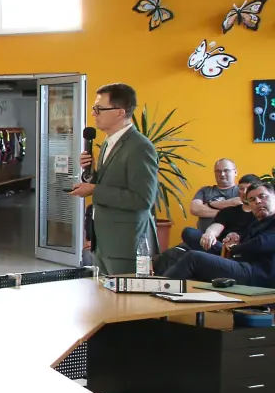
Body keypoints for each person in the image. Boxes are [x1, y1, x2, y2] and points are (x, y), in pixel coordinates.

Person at [70, 83, 158, 275]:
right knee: (106, 300)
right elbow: (110, 182)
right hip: (105, 240)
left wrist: (94, 191)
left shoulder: (140, 147)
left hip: (125, 244)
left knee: (124, 303)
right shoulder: (109, 142)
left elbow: (143, 199)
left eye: (99, 109)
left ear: (119, 112)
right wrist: (89, 171)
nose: (94, 114)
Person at [157, 181, 275, 285]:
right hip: (243, 265)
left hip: (259, 274)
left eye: (262, 196)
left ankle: (157, 292)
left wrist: (234, 248)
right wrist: (234, 238)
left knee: (194, 257)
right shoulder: (257, 223)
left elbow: (261, 243)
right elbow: (248, 241)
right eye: (252, 200)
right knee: (183, 254)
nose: (258, 202)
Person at [183, 175, 261, 256]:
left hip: (244, 250)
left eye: (248, 189)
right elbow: (216, 227)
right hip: (221, 249)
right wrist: (210, 233)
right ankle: (227, 254)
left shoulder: (261, 213)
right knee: (189, 232)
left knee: (194, 255)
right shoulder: (228, 211)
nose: (244, 192)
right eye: (241, 188)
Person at [184, 160, 244, 247]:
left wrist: (210, 205)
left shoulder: (241, 190)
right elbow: (195, 209)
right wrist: (228, 212)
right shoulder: (205, 190)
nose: (222, 174)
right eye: (218, 171)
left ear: (235, 172)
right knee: (187, 234)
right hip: (203, 237)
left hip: (229, 240)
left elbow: (240, 203)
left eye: (226, 170)